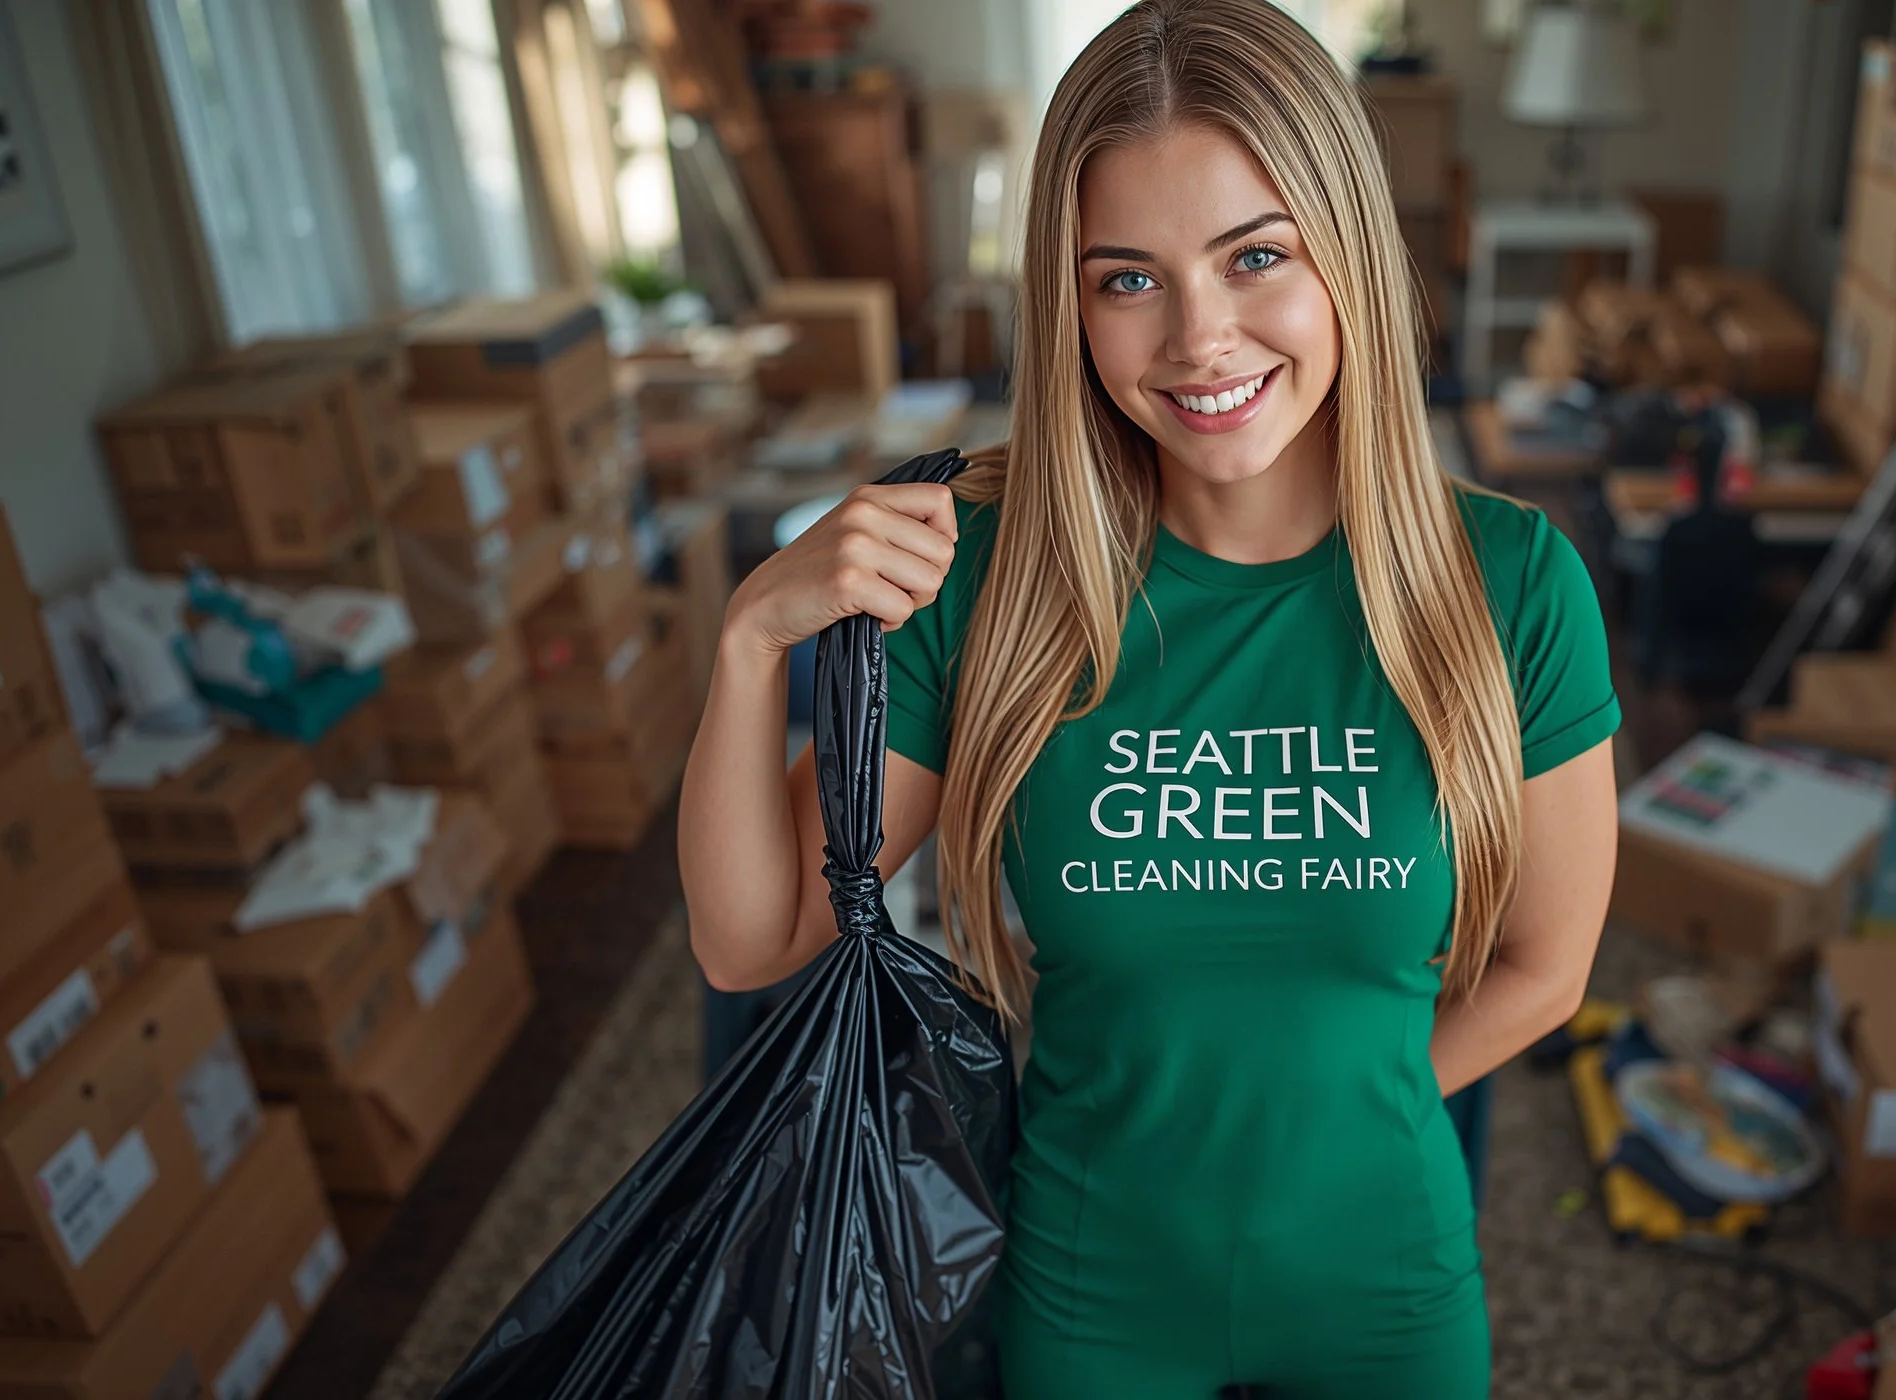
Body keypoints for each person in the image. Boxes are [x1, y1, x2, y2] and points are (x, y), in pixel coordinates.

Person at [680, 1, 1621, 1394]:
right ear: (1069, 306)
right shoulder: (993, 575)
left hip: (1387, 1273)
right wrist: (757, 638)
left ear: (1348, 253)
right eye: (1127, 280)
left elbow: (1546, 969)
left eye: (1256, 257)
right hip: (1090, 1275)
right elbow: (751, 945)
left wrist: (1330, 1121)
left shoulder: (1512, 582)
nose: (1201, 338)